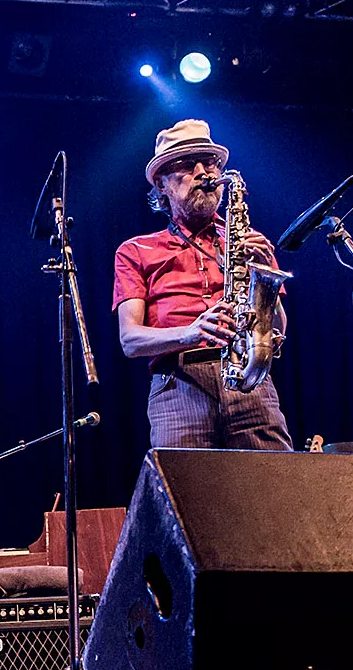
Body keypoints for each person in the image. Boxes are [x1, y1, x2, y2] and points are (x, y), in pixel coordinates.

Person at [113, 119, 292, 450]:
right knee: (184, 485)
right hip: (178, 387)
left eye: (209, 163)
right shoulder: (135, 250)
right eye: (186, 164)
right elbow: (130, 340)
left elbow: (277, 328)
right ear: (161, 183)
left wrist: (264, 271)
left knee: (277, 481)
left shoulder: (248, 241)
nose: (203, 172)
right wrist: (190, 333)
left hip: (249, 380)